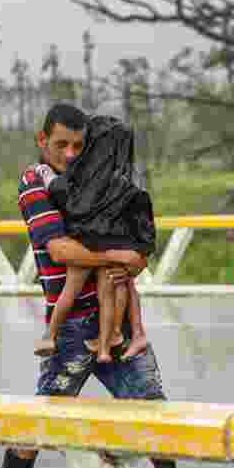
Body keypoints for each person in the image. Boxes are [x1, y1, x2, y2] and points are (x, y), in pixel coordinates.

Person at [0, 103, 218, 468]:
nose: (70, 154)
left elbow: (134, 232)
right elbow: (60, 250)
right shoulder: (35, 183)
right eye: (61, 144)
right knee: (44, 417)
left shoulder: (98, 177)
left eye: (79, 146)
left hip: (116, 322)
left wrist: (137, 258)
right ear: (42, 141)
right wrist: (119, 256)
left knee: (155, 416)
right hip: (73, 326)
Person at [32, 114, 155, 363]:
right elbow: (144, 228)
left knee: (72, 290)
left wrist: (46, 176)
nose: (72, 154)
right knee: (119, 287)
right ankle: (113, 340)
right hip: (118, 248)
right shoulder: (129, 181)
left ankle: (51, 335)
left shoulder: (87, 179)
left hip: (88, 243)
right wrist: (134, 254)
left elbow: (69, 201)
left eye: (81, 145)